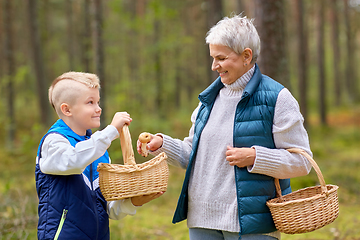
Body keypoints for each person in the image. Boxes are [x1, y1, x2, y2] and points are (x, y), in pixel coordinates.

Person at [137, 15, 312, 240]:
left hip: (251, 225)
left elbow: (302, 162)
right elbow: (194, 155)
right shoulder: (208, 99)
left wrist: (255, 157)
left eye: (221, 58)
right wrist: (162, 144)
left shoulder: (278, 98)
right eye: (213, 58)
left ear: (246, 56)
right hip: (201, 220)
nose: (214, 66)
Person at [35, 72, 163, 240]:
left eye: (98, 102)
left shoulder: (99, 151)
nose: (98, 108)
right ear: (67, 109)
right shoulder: (54, 141)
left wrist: (133, 202)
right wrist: (111, 131)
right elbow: (73, 161)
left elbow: (107, 207)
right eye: (90, 102)